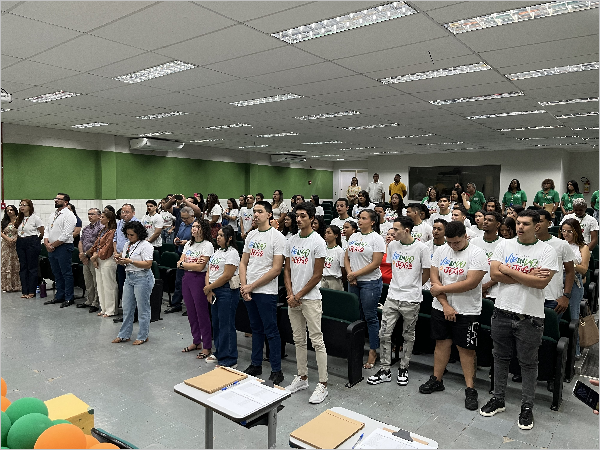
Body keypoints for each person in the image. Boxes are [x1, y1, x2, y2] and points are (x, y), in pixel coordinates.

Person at [480, 210, 558, 430]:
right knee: (500, 358)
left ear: (537, 226)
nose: (520, 227)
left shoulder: (547, 251)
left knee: (528, 363)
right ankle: (498, 399)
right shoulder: (504, 245)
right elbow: (494, 275)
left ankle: (527, 406)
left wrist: (508, 269)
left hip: (529, 316)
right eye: (518, 223)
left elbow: (540, 284)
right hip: (502, 311)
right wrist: (526, 275)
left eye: (526, 224)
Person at [420, 221, 488, 411]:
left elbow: (470, 283)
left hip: (467, 310)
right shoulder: (442, 250)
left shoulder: (477, 253)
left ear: (465, 236)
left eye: (456, 242)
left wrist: (441, 290)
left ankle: (470, 388)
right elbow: (434, 278)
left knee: (466, 350)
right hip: (441, 307)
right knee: (441, 343)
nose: (453, 246)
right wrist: (445, 305)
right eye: (449, 242)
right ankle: (437, 379)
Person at [368, 217, 431, 386]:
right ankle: (385, 369)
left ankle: (404, 367)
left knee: (408, 335)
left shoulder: (421, 248)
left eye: (396, 229)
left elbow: (426, 272)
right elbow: (392, 267)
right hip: (392, 296)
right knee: (384, 333)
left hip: (411, 298)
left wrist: (414, 286)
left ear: (406, 230)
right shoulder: (392, 246)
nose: (392, 232)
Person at [284, 202, 329, 403]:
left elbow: (317, 275)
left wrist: (298, 295)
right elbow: (287, 270)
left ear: (311, 218)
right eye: (297, 216)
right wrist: (290, 293)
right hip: (294, 299)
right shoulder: (291, 241)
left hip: (310, 299)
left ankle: (323, 384)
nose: (299, 219)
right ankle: (302, 377)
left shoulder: (318, 242)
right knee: (298, 339)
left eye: (303, 216)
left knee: (317, 340)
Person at [240, 201, 286, 384]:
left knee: (271, 330)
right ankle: (256, 364)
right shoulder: (251, 235)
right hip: (249, 290)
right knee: (255, 328)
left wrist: (251, 286)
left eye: (260, 211)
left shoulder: (277, 237)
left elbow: (276, 269)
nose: (256, 214)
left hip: (266, 291)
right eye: (254, 211)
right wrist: (244, 286)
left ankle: (276, 370)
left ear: (269, 214)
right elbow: (243, 263)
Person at [345, 209, 385, 369]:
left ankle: (373, 351)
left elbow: (376, 263)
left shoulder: (377, 238)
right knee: (356, 317)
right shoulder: (354, 236)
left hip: (370, 282)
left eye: (363, 218)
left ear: (372, 222)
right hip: (353, 281)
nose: (360, 221)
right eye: (359, 218)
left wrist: (355, 274)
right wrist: (350, 274)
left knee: (370, 317)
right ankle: (356, 348)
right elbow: (346, 257)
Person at [112, 221, 155, 345]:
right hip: (129, 277)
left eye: (132, 235)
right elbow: (126, 258)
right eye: (128, 234)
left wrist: (130, 261)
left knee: (143, 308)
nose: (129, 237)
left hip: (142, 277)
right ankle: (124, 334)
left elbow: (148, 264)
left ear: (139, 234)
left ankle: (143, 335)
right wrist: (120, 260)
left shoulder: (146, 245)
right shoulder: (127, 245)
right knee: (127, 307)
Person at [203, 225, 240, 367]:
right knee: (217, 323)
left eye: (221, 235)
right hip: (214, 290)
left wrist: (209, 287)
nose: (217, 237)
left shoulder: (232, 253)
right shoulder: (217, 251)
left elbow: (227, 275)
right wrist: (209, 289)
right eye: (217, 235)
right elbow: (209, 271)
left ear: (229, 238)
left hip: (226, 291)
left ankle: (229, 359)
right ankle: (219, 351)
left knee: (226, 325)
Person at [179, 219, 215, 359]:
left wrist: (185, 264)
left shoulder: (207, 245)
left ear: (203, 229)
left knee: (202, 313)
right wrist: (188, 264)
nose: (194, 229)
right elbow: (179, 262)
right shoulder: (189, 244)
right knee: (191, 311)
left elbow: (200, 267)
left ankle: (207, 345)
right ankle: (196, 341)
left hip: (199, 279)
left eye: (197, 226)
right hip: (187, 278)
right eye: (193, 226)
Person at [560, 218, 590, 358]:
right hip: (558, 281)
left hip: (574, 283)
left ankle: (575, 350)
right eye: (563, 231)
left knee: (573, 316)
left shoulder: (583, 247)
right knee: (557, 314)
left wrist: (569, 264)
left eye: (569, 231)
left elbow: (584, 269)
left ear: (576, 232)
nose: (565, 234)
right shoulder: (560, 244)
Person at [536, 210, 575, 319]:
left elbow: (570, 271)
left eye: (540, 221)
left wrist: (566, 296)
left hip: (552, 298)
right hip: (530, 297)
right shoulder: (525, 243)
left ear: (549, 223)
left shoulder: (561, 244)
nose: (536, 224)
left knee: (549, 328)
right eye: (534, 221)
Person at [43, 193, 77, 307]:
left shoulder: (69, 215)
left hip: (63, 247)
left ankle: (69, 297)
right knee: (56, 273)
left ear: (66, 202)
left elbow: (66, 234)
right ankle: (59, 296)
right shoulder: (53, 214)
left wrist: (53, 245)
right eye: (55, 198)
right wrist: (46, 243)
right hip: (52, 247)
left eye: (59, 199)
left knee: (66, 273)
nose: (56, 200)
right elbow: (47, 229)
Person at [164, 207, 195, 314]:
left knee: (191, 283)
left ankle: (191, 306)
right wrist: (176, 239)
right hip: (181, 253)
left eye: (186, 218)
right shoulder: (182, 224)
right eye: (182, 218)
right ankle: (176, 304)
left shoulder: (197, 226)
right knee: (179, 281)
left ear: (192, 216)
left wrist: (187, 242)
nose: (184, 220)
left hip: (193, 257)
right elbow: (178, 235)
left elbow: (199, 240)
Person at [88, 211, 118, 317]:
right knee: (100, 285)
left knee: (109, 285)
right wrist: (94, 257)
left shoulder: (112, 231)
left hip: (108, 259)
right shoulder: (102, 231)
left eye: (102, 217)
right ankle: (104, 308)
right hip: (99, 259)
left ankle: (111, 310)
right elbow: (96, 245)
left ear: (108, 219)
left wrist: (94, 257)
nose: (100, 219)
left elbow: (107, 247)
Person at [15, 199, 44, 298]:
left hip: (32, 241)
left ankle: (31, 291)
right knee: (23, 267)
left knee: (32, 267)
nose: (22, 207)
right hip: (21, 241)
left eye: (24, 205)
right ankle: (25, 291)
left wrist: (35, 240)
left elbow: (42, 232)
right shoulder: (20, 218)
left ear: (29, 207)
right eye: (20, 205)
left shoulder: (35, 218)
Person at [76, 208, 103, 312]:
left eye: (92, 214)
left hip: (94, 257)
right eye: (88, 214)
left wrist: (86, 254)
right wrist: (81, 254)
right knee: (88, 281)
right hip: (85, 257)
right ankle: (89, 300)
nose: (90, 216)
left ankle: (96, 303)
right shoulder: (86, 228)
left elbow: (97, 245)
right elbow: (81, 241)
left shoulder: (101, 228)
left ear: (99, 216)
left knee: (96, 281)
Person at [471, 212, 503, 301]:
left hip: (495, 292)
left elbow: (504, 271)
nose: (485, 222)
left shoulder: (504, 244)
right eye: (485, 219)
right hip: (474, 289)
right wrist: (478, 287)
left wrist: (486, 286)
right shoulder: (474, 242)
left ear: (498, 224)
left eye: (490, 220)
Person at [112, 204, 139, 303]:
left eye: (127, 212)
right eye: (123, 212)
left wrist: (122, 254)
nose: (124, 214)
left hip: (130, 259)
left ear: (133, 213)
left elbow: (135, 243)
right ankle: (125, 306)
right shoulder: (120, 223)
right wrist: (115, 252)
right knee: (122, 282)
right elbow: (115, 238)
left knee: (131, 285)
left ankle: (132, 307)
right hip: (119, 257)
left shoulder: (137, 224)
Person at [1, 205, 21, 293]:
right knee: (6, 263)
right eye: (7, 210)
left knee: (16, 263)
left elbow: (22, 231)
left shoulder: (19, 221)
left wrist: (15, 239)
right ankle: (7, 285)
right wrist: (8, 239)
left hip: (17, 243)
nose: (9, 211)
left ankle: (16, 285)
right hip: (6, 245)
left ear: (15, 211)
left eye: (11, 210)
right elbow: (1, 232)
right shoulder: (4, 221)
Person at [423, 219, 447, 290]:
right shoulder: (425, 246)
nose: (435, 231)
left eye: (439, 229)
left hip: (442, 282)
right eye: (434, 228)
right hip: (426, 282)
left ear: (445, 231)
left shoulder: (449, 247)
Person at [322, 225, 345, 291]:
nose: (326, 235)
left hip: (334, 280)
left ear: (336, 235)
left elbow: (343, 270)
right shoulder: (322, 249)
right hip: (322, 279)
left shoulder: (340, 251)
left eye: (329, 233)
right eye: (325, 232)